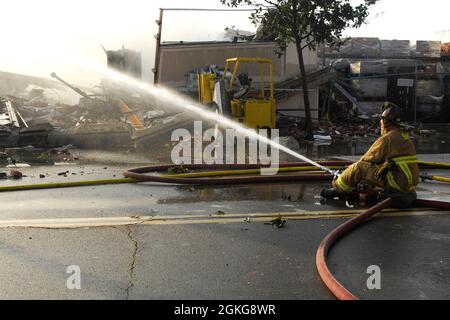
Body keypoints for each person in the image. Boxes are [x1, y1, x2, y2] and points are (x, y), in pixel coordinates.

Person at [321, 102, 419, 206]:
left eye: (381, 120)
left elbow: (365, 161)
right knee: (375, 170)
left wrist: (346, 171)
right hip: (407, 186)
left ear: (385, 122)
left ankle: (338, 189)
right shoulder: (403, 136)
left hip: (397, 184)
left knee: (360, 168)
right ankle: (366, 194)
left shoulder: (387, 138)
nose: (380, 123)